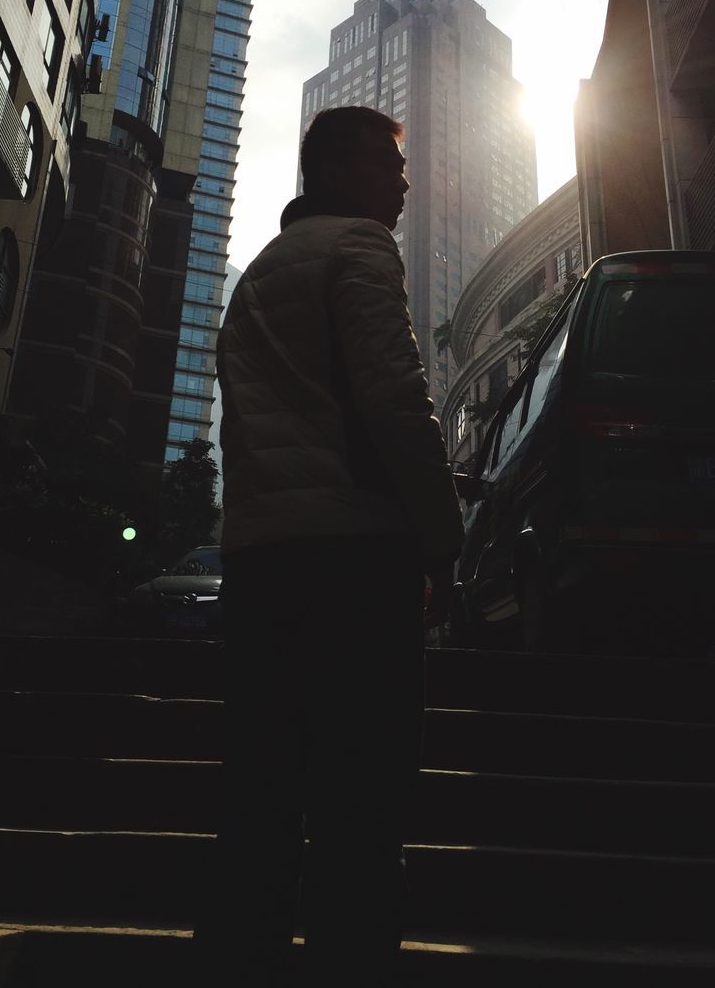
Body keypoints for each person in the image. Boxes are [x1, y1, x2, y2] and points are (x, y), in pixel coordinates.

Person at [194, 106, 465, 986]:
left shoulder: (260, 274)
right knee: (362, 801)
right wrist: (440, 536)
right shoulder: (360, 248)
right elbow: (395, 399)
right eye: (392, 165)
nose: (405, 182)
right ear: (343, 172)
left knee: (260, 796)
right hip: (355, 557)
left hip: (264, 560)